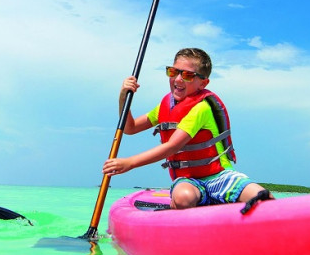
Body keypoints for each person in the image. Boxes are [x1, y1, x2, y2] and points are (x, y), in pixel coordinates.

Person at [102, 47, 272, 213]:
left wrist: (130, 163)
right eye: (173, 72)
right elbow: (130, 128)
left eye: (187, 75)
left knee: (264, 198)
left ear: (203, 83)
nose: (178, 79)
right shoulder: (165, 106)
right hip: (188, 181)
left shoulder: (202, 108)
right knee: (184, 197)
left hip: (219, 176)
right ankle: (195, 208)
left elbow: (172, 146)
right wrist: (123, 96)